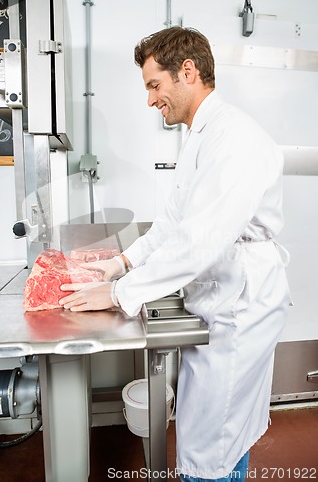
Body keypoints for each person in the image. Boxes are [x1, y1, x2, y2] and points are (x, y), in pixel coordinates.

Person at [59, 26, 291, 481]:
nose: (150, 100)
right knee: (219, 433)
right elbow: (172, 224)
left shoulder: (234, 138)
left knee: (213, 443)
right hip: (222, 301)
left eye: (154, 85)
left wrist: (122, 292)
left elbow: (200, 241)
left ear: (187, 71)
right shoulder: (200, 135)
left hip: (240, 307)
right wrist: (122, 262)